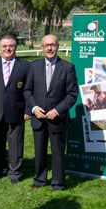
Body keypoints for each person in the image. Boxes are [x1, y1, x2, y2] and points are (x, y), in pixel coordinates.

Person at [23, 34, 78, 191]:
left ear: (58, 46)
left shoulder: (68, 68)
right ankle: (40, 179)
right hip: (39, 118)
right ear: (42, 48)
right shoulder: (33, 67)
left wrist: (58, 110)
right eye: (46, 45)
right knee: (39, 152)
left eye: (52, 44)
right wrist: (33, 108)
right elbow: (27, 91)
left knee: (58, 153)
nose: (49, 48)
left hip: (57, 119)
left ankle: (59, 183)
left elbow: (72, 94)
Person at [0, 35, 30, 184]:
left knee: (16, 145)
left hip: (17, 112)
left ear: (16, 47)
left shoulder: (25, 65)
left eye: (11, 46)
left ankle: (15, 173)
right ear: (0, 48)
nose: (8, 49)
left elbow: (29, 89)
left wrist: (28, 110)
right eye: (5, 46)